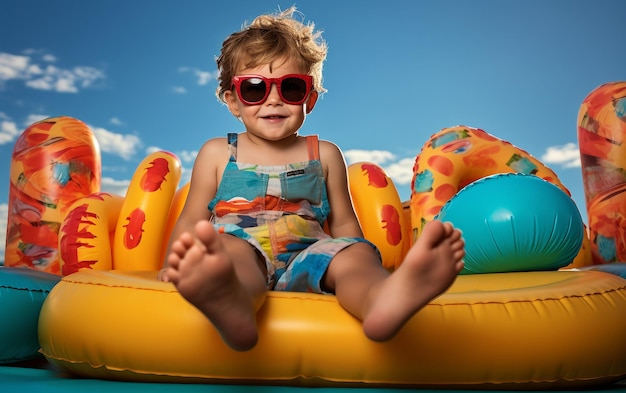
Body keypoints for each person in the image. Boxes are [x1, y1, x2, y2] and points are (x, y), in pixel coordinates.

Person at [161, 7, 465, 351]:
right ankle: (233, 305)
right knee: (230, 253)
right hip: (243, 249)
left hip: (309, 255)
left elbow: (345, 222)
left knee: (351, 258)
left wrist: (357, 254)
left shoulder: (325, 154)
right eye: (255, 88)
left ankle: (380, 299)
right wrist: (173, 265)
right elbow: (191, 218)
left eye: (290, 88)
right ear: (233, 101)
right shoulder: (218, 153)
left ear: (310, 99)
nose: (273, 99)